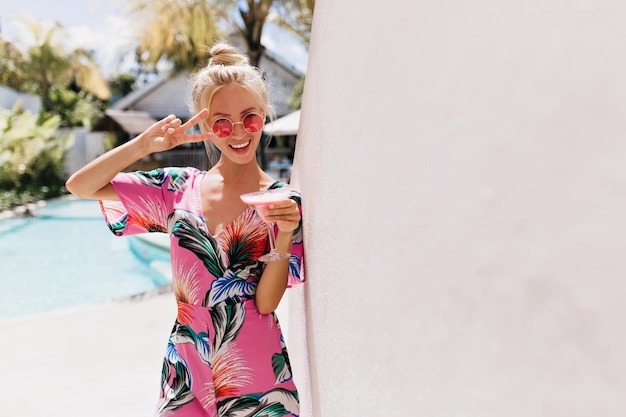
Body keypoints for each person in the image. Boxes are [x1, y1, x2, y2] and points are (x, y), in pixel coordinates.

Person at [66, 42, 305, 417]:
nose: (238, 132)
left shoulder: (281, 203)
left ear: (264, 117)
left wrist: (286, 234)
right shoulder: (176, 189)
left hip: (255, 374)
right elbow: (80, 186)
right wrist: (144, 144)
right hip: (186, 368)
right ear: (208, 127)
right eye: (222, 121)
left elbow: (266, 303)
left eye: (250, 117)